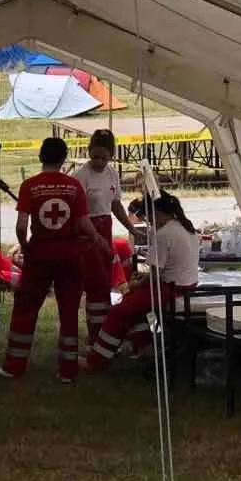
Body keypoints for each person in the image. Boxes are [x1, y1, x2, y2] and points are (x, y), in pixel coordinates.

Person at [0, 137, 111, 383]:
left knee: (25, 308)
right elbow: (83, 223)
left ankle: (13, 366)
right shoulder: (74, 186)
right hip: (70, 257)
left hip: (40, 255)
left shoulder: (30, 186)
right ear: (64, 159)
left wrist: (25, 245)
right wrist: (99, 241)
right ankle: (68, 371)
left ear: (40, 157)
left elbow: (21, 225)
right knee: (69, 312)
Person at [86, 192, 199, 370]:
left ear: (156, 213)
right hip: (186, 286)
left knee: (118, 311)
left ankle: (97, 360)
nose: (149, 222)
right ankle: (145, 347)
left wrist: (135, 285)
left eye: (148, 217)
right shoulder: (186, 227)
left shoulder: (163, 234)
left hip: (169, 290)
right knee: (135, 305)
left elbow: (154, 275)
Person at [71, 130, 143, 343]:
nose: (100, 162)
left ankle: (102, 328)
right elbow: (78, 214)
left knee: (105, 281)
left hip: (105, 227)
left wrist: (131, 228)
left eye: (104, 158)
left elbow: (115, 205)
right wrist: (94, 236)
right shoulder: (80, 176)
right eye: (95, 157)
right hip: (87, 231)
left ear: (111, 155)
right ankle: (96, 333)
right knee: (96, 282)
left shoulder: (112, 173)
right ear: (88, 151)